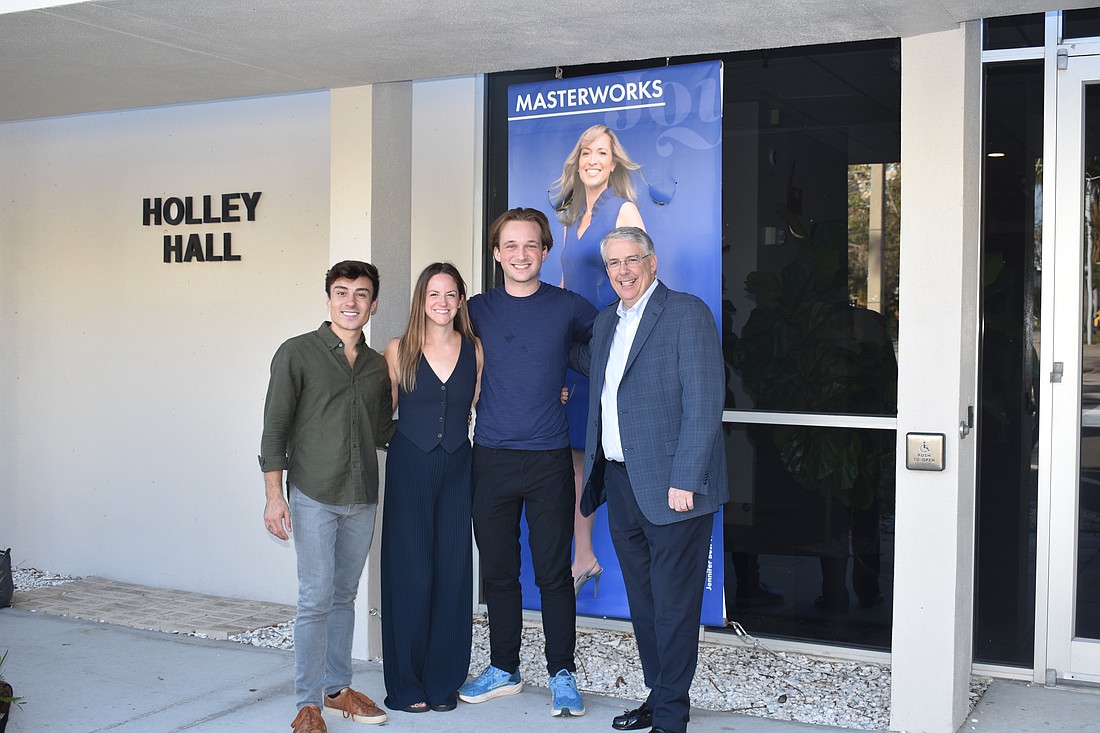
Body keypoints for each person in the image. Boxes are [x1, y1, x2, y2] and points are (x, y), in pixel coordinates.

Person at [574, 227, 728, 733]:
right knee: (644, 603)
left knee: (675, 606)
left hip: (674, 489)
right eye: (613, 263)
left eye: (631, 259)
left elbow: (704, 402)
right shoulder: (605, 324)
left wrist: (686, 478)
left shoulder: (687, 313)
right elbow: (599, 382)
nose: (622, 270)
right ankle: (658, 694)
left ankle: (671, 716)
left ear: (652, 261)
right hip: (622, 483)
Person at [457, 207, 597, 717]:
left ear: (544, 251)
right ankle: (504, 668)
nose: (520, 254)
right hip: (490, 456)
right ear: (496, 255)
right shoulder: (473, 310)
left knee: (554, 573)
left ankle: (563, 672)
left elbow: (607, 346)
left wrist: (565, 382)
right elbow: (437, 350)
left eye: (530, 245)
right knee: (498, 573)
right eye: (510, 246)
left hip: (547, 459)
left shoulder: (569, 307)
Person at [259, 260, 395, 733]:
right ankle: (307, 703)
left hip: (362, 496)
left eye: (361, 294)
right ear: (329, 299)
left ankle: (338, 692)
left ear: (373, 304)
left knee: (344, 596)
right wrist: (275, 497)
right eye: (342, 292)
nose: (351, 302)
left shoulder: (378, 366)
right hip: (314, 493)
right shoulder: (296, 353)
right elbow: (275, 430)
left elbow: (383, 432)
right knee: (315, 598)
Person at [379, 263, 482, 713]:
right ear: (421, 300)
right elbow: (388, 410)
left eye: (451, 294)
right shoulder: (398, 349)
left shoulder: (476, 349)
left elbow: (473, 404)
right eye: (433, 295)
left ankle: (444, 680)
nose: (442, 303)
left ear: (460, 300)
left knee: (453, 572)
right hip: (410, 467)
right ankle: (406, 685)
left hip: (459, 467)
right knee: (411, 573)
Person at [551, 124, 646, 595]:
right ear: (578, 159)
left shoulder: (622, 208)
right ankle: (583, 554)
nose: (593, 159)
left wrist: (621, 331)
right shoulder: (572, 217)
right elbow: (569, 288)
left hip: (605, 346)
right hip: (575, 350)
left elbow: (643, 272)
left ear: (612, 162)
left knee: (604, 452)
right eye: (586, 151)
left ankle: (607, 558)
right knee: (575, 458)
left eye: (601, 152)